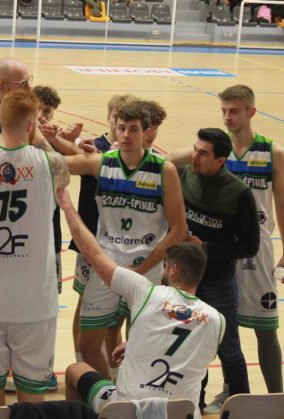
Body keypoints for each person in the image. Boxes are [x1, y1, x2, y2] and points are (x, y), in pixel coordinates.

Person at [58, 188, 225, 419]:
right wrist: (138, 340)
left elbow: (92, 252)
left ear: (174, 270)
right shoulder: (217, 320)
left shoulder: (145, 292)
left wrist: (66, 205)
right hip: (182, 413)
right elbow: (182, 337)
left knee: (76, 371)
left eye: (166, 266)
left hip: (128, 410)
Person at [0, 89, 70, 419]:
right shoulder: (52, 164)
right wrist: (41, 139)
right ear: (32, 124)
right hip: (34, 299)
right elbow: (62, 169)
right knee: (33, 390)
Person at [65, 101, 187, 378]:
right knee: (87, 343)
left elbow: (179, 229)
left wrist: (142, 269)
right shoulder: (101, 162)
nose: (127, 135)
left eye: (133, 129)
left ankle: (134, 395)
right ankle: (108, 393)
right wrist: (36, 136)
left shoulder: (163, 170)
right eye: (122, 128)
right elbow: (56, 164)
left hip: (147, 268)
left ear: (146, 133)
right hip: (107, 267)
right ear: (115, 129)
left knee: (142, 342)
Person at [202, 85, 284, 413]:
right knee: (225, 326)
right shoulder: (216, 151)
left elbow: (282, 203)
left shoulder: (272, 152)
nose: (227, 117)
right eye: (223, 110)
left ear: (251, 112)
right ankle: (230, 391)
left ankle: (278, 396)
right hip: (223, 249)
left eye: (234, 111)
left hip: (258, 250)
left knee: (266, 328)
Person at [179, 128, 260, 411]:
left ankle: (243, 407)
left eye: (203, 153)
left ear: (221, 160)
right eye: (195, 149)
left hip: (218, 282)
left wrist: (207, 249)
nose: (195, 157)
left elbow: (250, 246)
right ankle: (194, 404)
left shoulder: (240, 194)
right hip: (185, 280)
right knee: (189, 347)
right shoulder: (184, 175)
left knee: (229, 350)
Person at [67, 94, 136, 379]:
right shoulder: (95, 148)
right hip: (91, 241)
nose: (123, 129)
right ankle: (82, 363)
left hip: (121, 245)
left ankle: (115, 369)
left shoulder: (136, 151)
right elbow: (69, 159)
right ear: (110, 117)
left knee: (116, 313)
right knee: (85, 306)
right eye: (118, 119)